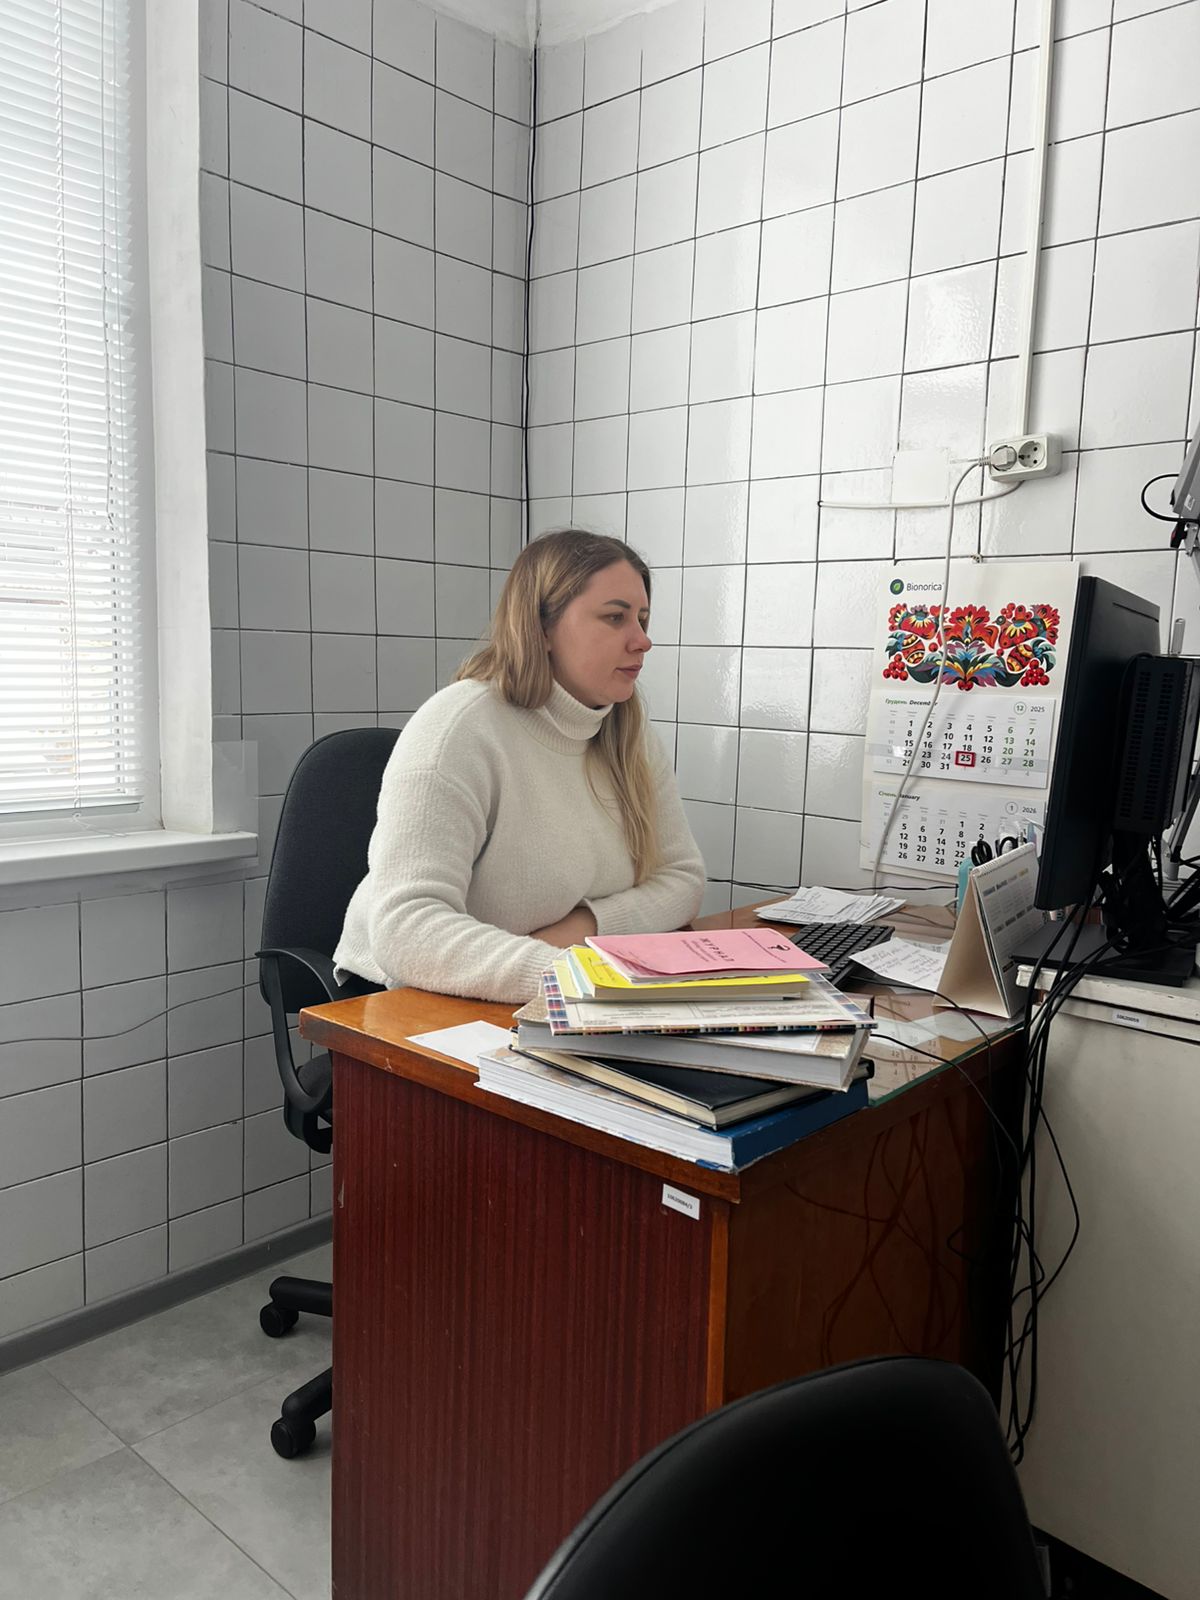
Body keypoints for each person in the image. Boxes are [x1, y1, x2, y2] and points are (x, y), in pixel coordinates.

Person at [334, 529, 707, 1002]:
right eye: (615, 617)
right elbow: (406, 929)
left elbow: (682, 878)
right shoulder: (458, 728)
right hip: (408, 995)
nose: (643, 641)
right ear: (543, 627)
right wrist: (571, 973)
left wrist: (582, 928)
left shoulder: (627, 731)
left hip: (543, 976)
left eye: (643, 619)